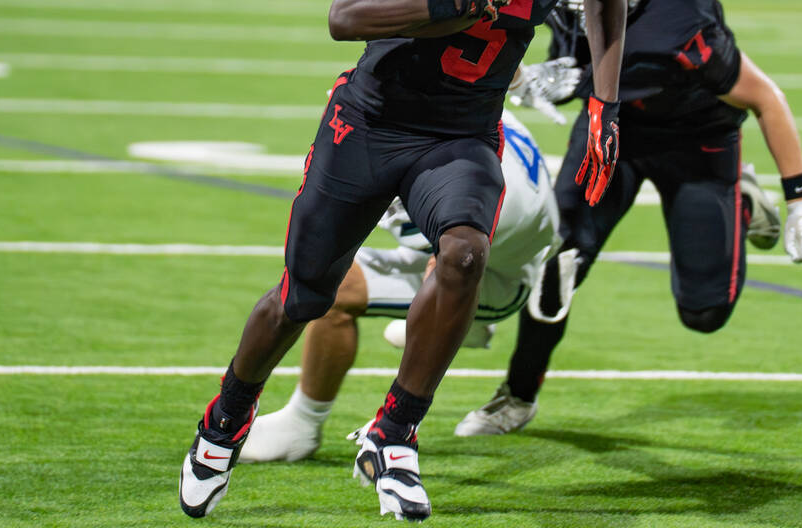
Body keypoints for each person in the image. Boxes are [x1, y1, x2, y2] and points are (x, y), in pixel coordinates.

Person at [178, 0, 627, 522]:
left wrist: (604, 105)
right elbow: (345, 14)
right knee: (301, 298)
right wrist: (448, 3)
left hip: (462, 133)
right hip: (373, 122)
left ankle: (394, 434)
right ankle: (224, 423)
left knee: (462, 254)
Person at [455, 0, 802, 437]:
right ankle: (518, 394)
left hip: (695, 139)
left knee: (704, 312)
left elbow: (764, 97)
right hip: (612, 134)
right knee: (559, 262)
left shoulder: (681, 7)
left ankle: (745, 200)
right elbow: (514, 54)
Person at [236, 109, 566, 464]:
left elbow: (444, 276)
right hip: (503, 231)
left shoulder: (471, 189)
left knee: (438, 290)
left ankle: (401, 422)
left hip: (499, 276)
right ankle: (301, 424)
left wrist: (398, 416)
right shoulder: (464, 117)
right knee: (335, 285)